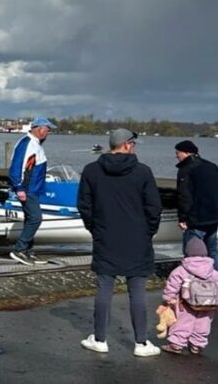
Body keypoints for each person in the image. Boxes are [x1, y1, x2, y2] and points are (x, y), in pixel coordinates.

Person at [78, 128, 162, 357]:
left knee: (104, 288)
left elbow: (84, 206)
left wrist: (94, 229)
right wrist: (149, 231)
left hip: (106, 236)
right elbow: (154, 207)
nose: (134, 147)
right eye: (133, 143)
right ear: (126, 145)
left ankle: (100, 339)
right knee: (137, 291)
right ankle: (141, 343)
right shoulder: (143, 172)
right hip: (137, 237)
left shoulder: (91, 170)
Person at [8, 117, 57, 265]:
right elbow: (16, 167)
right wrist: (19, 187)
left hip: (34, 188)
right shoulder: (27, 143)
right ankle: (19, 249)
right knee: (36, 218)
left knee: (31, 218)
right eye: (47, 130)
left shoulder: (35, 144)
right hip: (27, 188)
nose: (48, 133)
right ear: (40, 129)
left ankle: (28, 251)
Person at [160, 236, 218, 355]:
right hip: (209, 303)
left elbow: (173, 284)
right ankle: (197, 345)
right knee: (203, 323)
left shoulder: (181, 270)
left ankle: (176, 344)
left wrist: (169, 298)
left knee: (183, 322)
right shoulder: (212, 270)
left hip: (185, 303)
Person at [175, 140, 218, 270]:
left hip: (195, 219)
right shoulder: (212, 166)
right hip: (213, 217)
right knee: (213, 251)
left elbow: (184, 196)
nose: (176, 155)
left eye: (178, 152)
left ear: (187, 152)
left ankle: (194, 279)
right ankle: (214, 278)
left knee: (192, 253)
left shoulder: (185, 170)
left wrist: (183, 218)